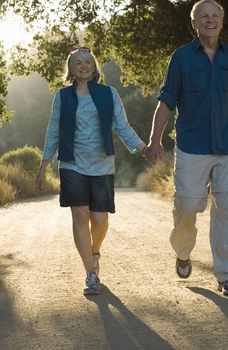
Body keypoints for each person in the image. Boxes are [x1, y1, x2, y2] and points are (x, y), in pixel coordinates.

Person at [144, 0, 228, 296]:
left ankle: (227, 274)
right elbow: (167, 101)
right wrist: (155, 140)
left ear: (222, 21)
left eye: (215, 16)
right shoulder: (181, 58)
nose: (210, 21)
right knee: (187, 204)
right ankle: (183, 250)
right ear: (193, 24)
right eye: (203, 17)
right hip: (192, 146)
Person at [35, 47, 147, 296]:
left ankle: (95, 251)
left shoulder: (108, 93)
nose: (83, 65)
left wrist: (142, 148)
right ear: (71, 69)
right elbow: (53, 131)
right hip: (72, 163)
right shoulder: (62, 97)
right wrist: (42, 167)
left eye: (87, 62)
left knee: (99, 220)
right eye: (78, 62)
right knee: (79, 215)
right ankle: (91, 273)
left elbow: (122, 126)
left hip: (102, 163)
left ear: (94, 67)